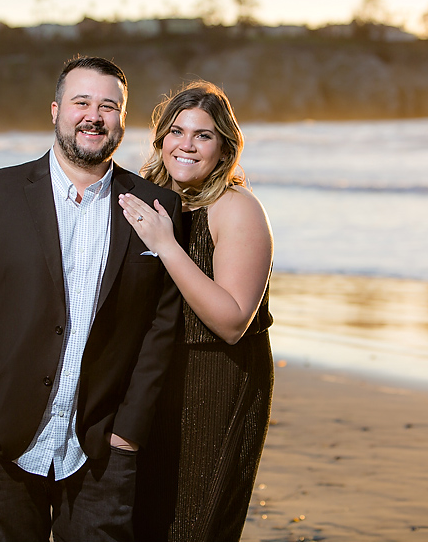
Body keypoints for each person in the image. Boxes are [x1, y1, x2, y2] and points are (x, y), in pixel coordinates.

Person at [0, 55, 183, 541]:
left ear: (122, 120)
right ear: (55, 110)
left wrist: (128, 435)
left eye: (108, 106)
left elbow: (161, 327)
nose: (94, 115)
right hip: (1, 439)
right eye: (82, 102)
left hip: (102, 447)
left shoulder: (156, 206)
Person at [118, 81, 274, 541]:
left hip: (217, 377)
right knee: (142, 519)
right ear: (161, 138)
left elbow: (231, 322)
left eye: (203, 135)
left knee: (195, 522)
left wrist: (166, 245)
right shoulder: (146, 200)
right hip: (151, 375)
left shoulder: (236, 209)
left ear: (224, 146)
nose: (186, 145)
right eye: (177, 131)